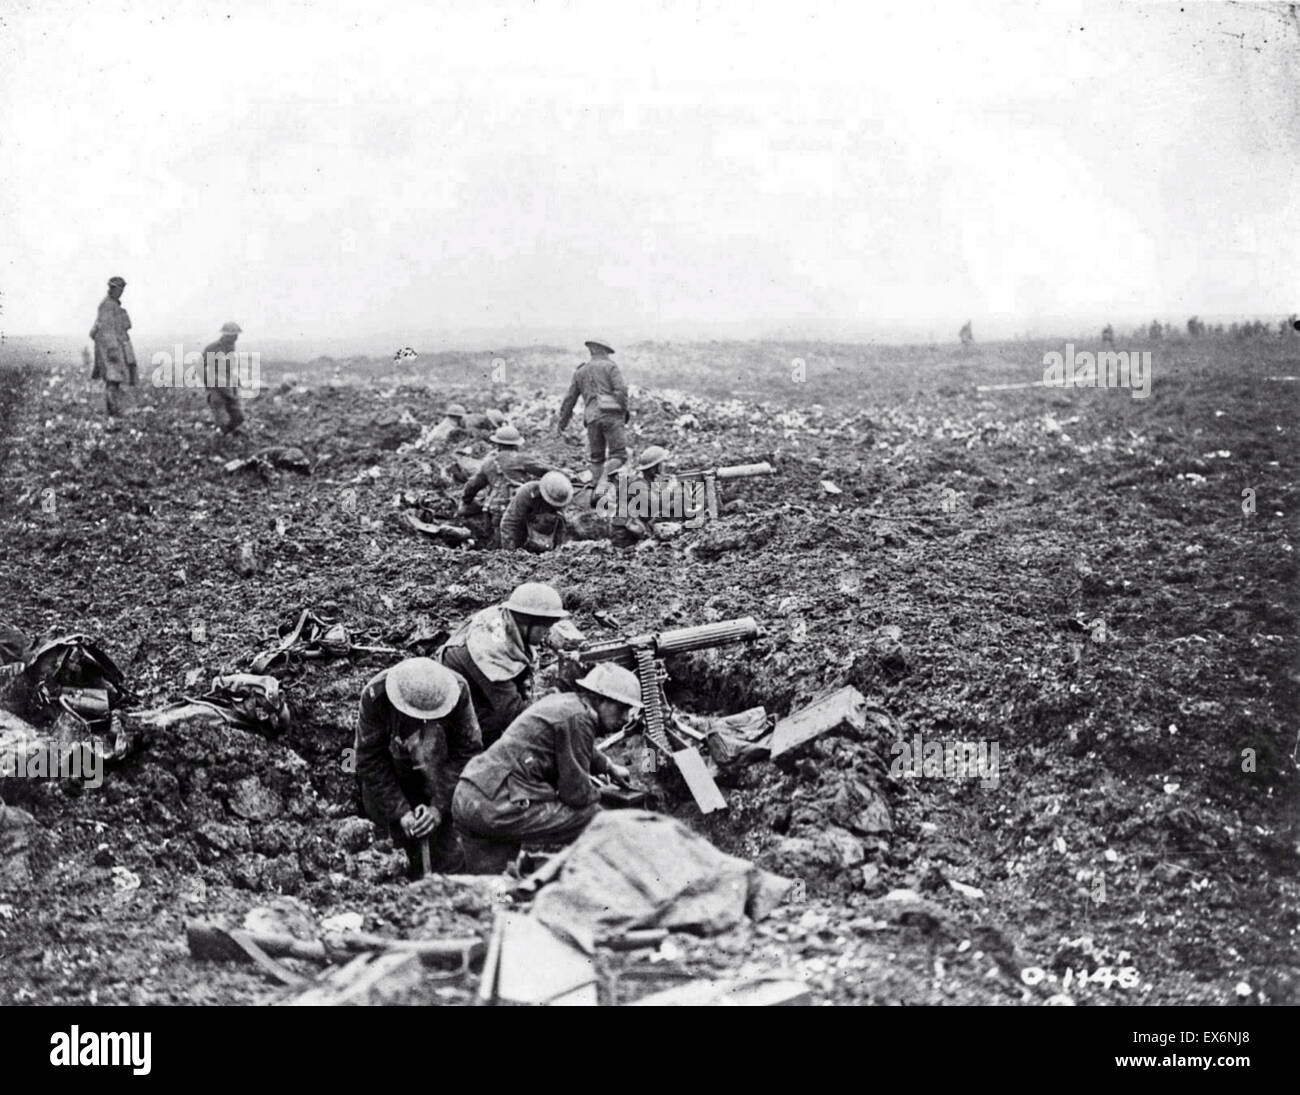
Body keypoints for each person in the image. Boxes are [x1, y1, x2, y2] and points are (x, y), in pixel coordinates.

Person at [451, 662, 638, 873]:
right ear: (600, 699)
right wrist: (606, 801)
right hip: (499, 805)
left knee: (492, 886)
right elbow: (576, 794)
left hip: (470, 795)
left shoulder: (566, 704)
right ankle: (597, 880)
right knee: (592, 816)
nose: (625, 718)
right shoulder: (579, 720)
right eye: (622, 708)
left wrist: (608, 766)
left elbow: (572, 742)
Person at [353, 657, 482, 878]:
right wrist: (400, 811)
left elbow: (468, 753)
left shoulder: (457, 691)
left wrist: (438, 807)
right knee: (390, 855)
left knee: (454, 857)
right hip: (393, 775)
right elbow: (369, 759)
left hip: (441, 775)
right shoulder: (376, 696)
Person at [438, 581, 569, 746]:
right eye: (545, 628)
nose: (548, 633)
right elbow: (513, 713)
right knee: (492, 729)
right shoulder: (490, 651)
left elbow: (522, 678)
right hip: (450, 703)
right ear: (528, 622)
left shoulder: (510, 623)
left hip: (475, 684)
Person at [459, 425, 553, 546]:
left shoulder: (489, 463)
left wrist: (466, 501)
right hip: (518, 506)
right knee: (521, 539)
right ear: (516, 445)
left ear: (497, 444)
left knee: (498, 543)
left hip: (495, 509)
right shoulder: (521, 459)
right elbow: (547, 470)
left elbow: (473, 485)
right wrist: (569, 476)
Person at [557, 340, 629, 495]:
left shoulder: (580, 372)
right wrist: (623, 410)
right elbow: (621, 391)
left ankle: (595, 494)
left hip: (591, 419)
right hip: (611, 415)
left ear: (591, 351)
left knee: (596, 459)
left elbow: (570, 399)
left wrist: (562, 424)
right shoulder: (610, 367)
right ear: (604, 351)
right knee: (619, 455)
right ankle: (603, 483)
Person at [89, 276, 136, 420]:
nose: (121, 292)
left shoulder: (113, 305)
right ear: (113, 288)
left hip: (114, 346)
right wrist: (112, 349)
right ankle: (113, 410)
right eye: (119, 289)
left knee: (115, 379)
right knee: (113, 378)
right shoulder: (107, 306)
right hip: (110, 348)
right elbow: (107, 330)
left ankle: (114, 409)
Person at [607, 445, 670, 549]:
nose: (664, 466)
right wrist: (670, 489)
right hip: (625, 537)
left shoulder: (646, 482)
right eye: (662, 463)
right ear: (654, 468)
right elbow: (658, 504)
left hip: (634, 532)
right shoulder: (639, 484)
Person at [499, 470, 573, 552]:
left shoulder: (561, 496)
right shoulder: (527, 493)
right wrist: (510, 553)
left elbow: (562, 526)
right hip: (521, 532)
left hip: (543, 537)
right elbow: (509, 523)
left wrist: (558, 550)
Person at [203, 322, 246, 436]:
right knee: (223, 420)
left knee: (239, 417)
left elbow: (228, 369)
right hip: (217, 390)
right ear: (226, 335)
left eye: (237, 335)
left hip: (229, 388)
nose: (236, 338)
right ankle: (221, 439)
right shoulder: (212, 348)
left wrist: (236, 380)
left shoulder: (231, 348)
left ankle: (226, 434)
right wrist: (209, 384)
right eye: (234, 335)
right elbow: (200, 367)